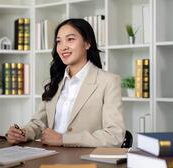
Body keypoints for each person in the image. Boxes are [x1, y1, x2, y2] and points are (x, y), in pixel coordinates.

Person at [7, 18, 125, 147]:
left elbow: (114, 135)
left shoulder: (108, 81)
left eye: (70, 39)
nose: (63, 47)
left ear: (87, 43)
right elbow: (39, 123)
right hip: (50, 156)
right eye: (59, 41)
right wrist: (23, 133)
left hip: (85, 161)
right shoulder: (54, 82)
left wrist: (63, 139)